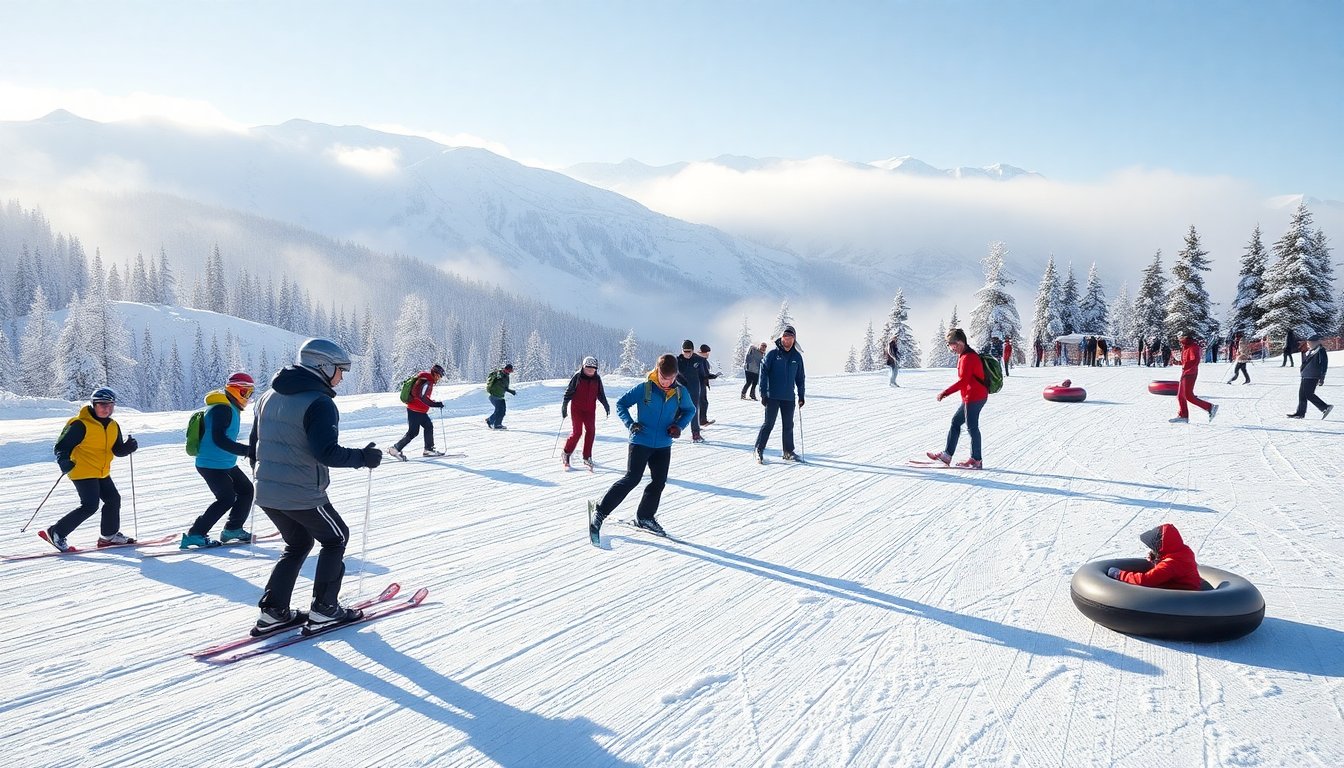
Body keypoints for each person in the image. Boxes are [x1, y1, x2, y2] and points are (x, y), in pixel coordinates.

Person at [249, 338, 384, 635]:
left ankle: (274, 612)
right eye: (339, 370)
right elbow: (326, 452)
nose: (341, 377)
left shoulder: (267, 396)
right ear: (322, 367)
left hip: (266, 491)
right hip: (302, 492)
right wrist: (364, 457)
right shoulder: (319, 403)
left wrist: (264, 479)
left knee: (297, 543)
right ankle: (325, 609)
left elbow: (253, 446)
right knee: (336, 538)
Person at [587, 354, 695, 540]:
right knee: (632, 478)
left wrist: (679, 426)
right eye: (663, 378)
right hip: (640, 442)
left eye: (670, 379)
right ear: (657, 371)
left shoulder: (680, 392)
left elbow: (690, 410)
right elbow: (621, 404)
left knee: (659, 482)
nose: (666, 382)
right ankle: (600, 511)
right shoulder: (644, 388)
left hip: (663, 444)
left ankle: (645, 516)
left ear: (676, 375)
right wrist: (630, 424)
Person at [42, 387, 140, 552]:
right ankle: (56, 532)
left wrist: (127, 448)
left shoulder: (113, 425)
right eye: (102, 404)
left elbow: (116, 450)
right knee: (89, 505)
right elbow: (61, 446)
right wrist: (64, 461)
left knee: (113, 499)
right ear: (94, 404)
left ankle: (108, 537)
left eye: (110, 405)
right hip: (81, 470)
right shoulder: (80, 424)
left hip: (101, 470)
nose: (106, 408)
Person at [180, 372, 258, 549]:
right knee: (226, 498)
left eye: (250, 393)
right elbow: (219, 439)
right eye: (246, 392)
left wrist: (245, 450)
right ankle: (195, 534)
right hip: (211, 464)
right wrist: (246, 450)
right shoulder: (222, 408)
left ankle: (233, 529)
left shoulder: (228, 406)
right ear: (236, 390)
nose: (248, 397)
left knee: (246, 490)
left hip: (224, 463)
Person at [926, 328, 988, 469]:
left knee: (972, 427)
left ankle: (976, 460)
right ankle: (947, 455)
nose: (951, 348)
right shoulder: (965, 355)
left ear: (959, 342)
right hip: (973, 396)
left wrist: (945, 392)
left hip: (973, 397)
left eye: (951, 345)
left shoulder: (968, 357)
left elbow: (963, 381)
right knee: (956, 422)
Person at [754, 325, 806, 462]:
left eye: (789, 338)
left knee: (788, 425)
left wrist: (801, 396)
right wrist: (763, 393)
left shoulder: (797, 357)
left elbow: (800, 378)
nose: (786, 340)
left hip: (788, 397)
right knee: (768, 424)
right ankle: (758, 449)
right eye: (784, 337)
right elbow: (763, 373)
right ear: (781, 338)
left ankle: (788, 452)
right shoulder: (772, 354)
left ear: (794, 339)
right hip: (773, 396)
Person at [1106, 523, 1202, 590]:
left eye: (1154, 548)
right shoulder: (1184, 551)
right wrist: (1157, 558)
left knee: (1143, 591)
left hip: (1183, 598)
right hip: (1182, 587)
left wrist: (1119, 574)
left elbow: (1145, 580)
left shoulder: (1171, 564)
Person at [561, 356, 611, 469]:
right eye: (588, 369)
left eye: (592, 370)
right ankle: (566, 452)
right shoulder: (577, 377)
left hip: (590, 410)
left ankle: (587, 456)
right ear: (583, 367)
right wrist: (564, 406)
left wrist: (606, 405)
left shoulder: (597, 379)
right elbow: (569, 392)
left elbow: (600, 394)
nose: (590, 371)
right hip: (577, 409)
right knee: (577, 432)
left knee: (591, 431)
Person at [389, 364, 446, 460]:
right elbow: (422, 397)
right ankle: (395, 449)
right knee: (413, 432)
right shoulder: (428, 381)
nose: (439, 378)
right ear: (435, 374)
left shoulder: (425, 379)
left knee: (428, 426)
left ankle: (428, 449)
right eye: (439, 376)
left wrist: (433, 403)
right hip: (416, 410)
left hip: (418, 410)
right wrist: (435, 404)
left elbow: (421, 396)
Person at [1172, 331, 1217, 423]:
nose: (1178, 339)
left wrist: (1186, 366)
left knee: (1188, 396)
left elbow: (1195, 360)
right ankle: (1183, 416)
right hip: (1185, 373)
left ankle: (1210, 407)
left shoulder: (1193, 347)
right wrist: (1179, 363)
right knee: (1180, 396)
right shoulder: (1185, 347)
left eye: (1179, 337)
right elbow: (1187, 360)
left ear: (1185, 337)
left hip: (1190, 374)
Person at [1288, 333, 1333, 419]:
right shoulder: (1313, 351)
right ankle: (1300, 413)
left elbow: (1324, 364)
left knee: (1309, 394)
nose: (1308, 344)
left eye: (1310, 342)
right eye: (1308, 342)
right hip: (1306, 376)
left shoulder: (1320, 350)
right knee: (1302, 395)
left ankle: (1325, 407)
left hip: (1312, 376)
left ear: (1316, 342)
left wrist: (1322, 377)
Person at [675, 341, 707, 443]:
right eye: (685, 351)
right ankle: (672, 429)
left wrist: (704, 386)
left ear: (693, 350)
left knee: (694, 409)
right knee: (677, 409)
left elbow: (703, 375)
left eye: (689, 351)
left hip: (694, 388)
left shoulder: (699, 360)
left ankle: (696, 433)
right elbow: (673, 374)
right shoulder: (677, 360)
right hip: (680, 387)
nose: (687, 354)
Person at [485, 363, 516, 430]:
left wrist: (511, 391)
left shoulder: (506, 376)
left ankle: (491, 421)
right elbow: (497, 375)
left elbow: (504, 387)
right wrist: (498, 376)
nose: (511, 372)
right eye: (510, 371)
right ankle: (496, 424)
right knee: (499, 411)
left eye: (511, 371)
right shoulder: (500, 373)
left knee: (502, 411)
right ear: (506, 369)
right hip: (494, 396)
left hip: (500, 396)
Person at [697, 343, 719, 426]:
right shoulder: (700, 361)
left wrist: (712, 376)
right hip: (699, 384)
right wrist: (712, 376)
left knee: (702, 402)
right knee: (703, 402)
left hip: (701, 383)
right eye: (707, 353)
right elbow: (702, 374)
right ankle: (702, 420)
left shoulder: (702, 361)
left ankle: (701, 419)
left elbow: (705, 373)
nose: (708, 354)